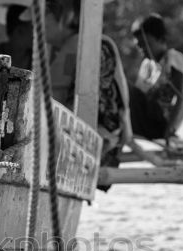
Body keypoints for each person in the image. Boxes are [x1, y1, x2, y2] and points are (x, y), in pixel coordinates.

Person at [41, 0, 132, 176]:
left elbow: (53, 99)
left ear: (63, 16)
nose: (37, 25)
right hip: (99, 136)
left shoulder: (84, 46)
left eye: (45, 16)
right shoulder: (100, 43)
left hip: (96, 140)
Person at [129, 13, 183, 140]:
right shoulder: (147, 65)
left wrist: (170, 130)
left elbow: (180, 98)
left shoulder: (173, 58)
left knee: (129, 91)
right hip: (146, 123)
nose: (142, 49)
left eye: (146, 44)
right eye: (139, 46)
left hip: (162, 126)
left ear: (161, 40)